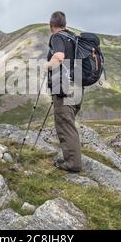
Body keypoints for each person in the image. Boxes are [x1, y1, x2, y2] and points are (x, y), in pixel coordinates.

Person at [43, 11, 82, 173]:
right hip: (78, 86)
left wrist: (47, 66)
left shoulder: (57, 37)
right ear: (65, 24)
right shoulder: (73, 37)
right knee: (69, 124)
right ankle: (73, 159)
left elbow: (59, 57)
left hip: (64, 88)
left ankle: (72, 164)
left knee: (65, 125)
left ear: (51, 25)